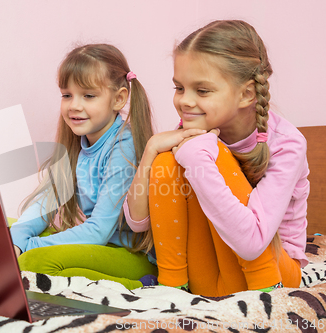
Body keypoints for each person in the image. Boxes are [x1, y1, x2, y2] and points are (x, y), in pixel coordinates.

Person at [123, 20, 309, 296]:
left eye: (202, 90)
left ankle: (265, 294)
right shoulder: (192, 134)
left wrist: (198, 157)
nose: (185, 101)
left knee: (207, 151)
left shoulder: (287, 143)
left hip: (274, 276)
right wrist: (151, 151)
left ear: (247, 93)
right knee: (166, 161)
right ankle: (172, 288)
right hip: (211, 276)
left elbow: (253, 242)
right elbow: (137, 222)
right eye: (179, 88)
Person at [9, 43, 161, 290]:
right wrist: (15, 240)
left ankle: (141, 284)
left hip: (129, 254)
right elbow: (47, 202)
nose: (74, 106)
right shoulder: (77, 141)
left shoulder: (124, 145)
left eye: (88, 96)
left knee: (33, 260)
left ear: (119, 98)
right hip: (95, 245)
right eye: (67, 95)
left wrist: (26, 246)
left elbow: (99, 231)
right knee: (5, 230)